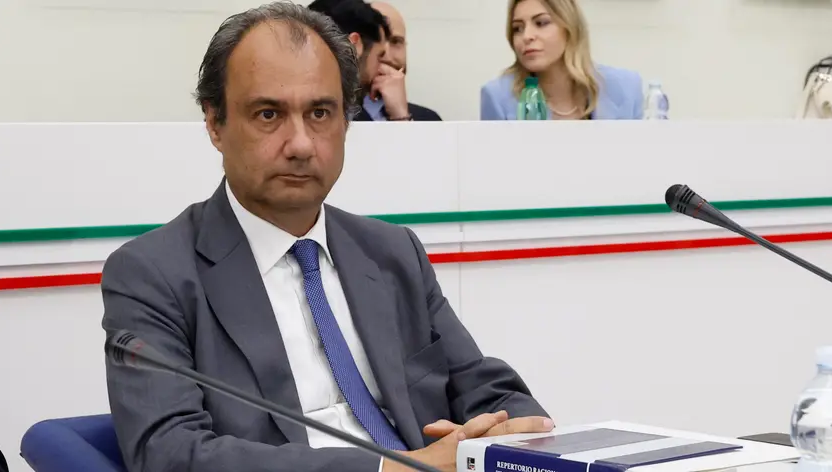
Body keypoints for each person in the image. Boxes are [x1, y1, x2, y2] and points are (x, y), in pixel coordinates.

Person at [101, 3, 552, 472]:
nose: (300, 144)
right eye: (268, 114)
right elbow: (171, 454)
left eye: (319, 112)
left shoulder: (392, 252)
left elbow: (485, 387)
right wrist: (394, 469)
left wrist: (509, 433)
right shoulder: (154, 274)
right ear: (215, 123)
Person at [480, 0, 643, 120]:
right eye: (517, 28)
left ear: (570, 28)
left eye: (541, 23)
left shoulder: (626, 88)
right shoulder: (497, 97)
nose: (526, 36)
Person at [360, 1, 442, 122]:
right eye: (376, 41)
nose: (386, 55)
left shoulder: (429, 119)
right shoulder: (337, 117)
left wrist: (401, 116)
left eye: (396, 41)